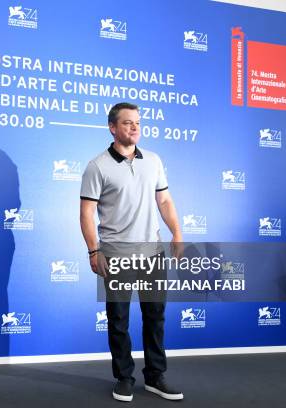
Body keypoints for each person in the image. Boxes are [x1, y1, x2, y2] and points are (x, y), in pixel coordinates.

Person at [79, 102, 184, 402]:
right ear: (113, 127)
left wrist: (177, 232)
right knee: (119, 320)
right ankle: (124, 377)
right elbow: (86, 213)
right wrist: (93, 251)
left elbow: (164, 201)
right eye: (127, 123)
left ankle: (155, 376)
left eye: (137, 122)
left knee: (155, 317)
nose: (135, 127)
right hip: (116, 256)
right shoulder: (97, 166)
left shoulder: (153, 160)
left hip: (152, 254)